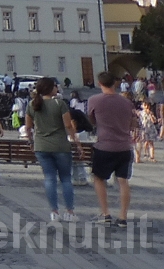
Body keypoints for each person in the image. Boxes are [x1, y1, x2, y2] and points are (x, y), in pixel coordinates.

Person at [87, 71, 139, 227]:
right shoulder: (126, 102)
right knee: (123, 181)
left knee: (99, 178)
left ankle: (105, 213)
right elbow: (133, 123)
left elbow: (92, 120)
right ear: (115, 83)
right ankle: (123, 216)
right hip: (124, 146)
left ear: (99, 83)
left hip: (105, 145)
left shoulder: (94, 100)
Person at [28, 76, 80, 223]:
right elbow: (68, 125)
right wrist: (75, 140)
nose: (57, 88)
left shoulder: (32, 104)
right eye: (55, 86)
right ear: (50, 88)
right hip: (60, 145)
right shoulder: (60, 104)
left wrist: (30, 141)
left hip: (41, 146)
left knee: (49, 178)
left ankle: (54, 212)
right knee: (65, 179)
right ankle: (69, 211)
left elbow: (28, 127)